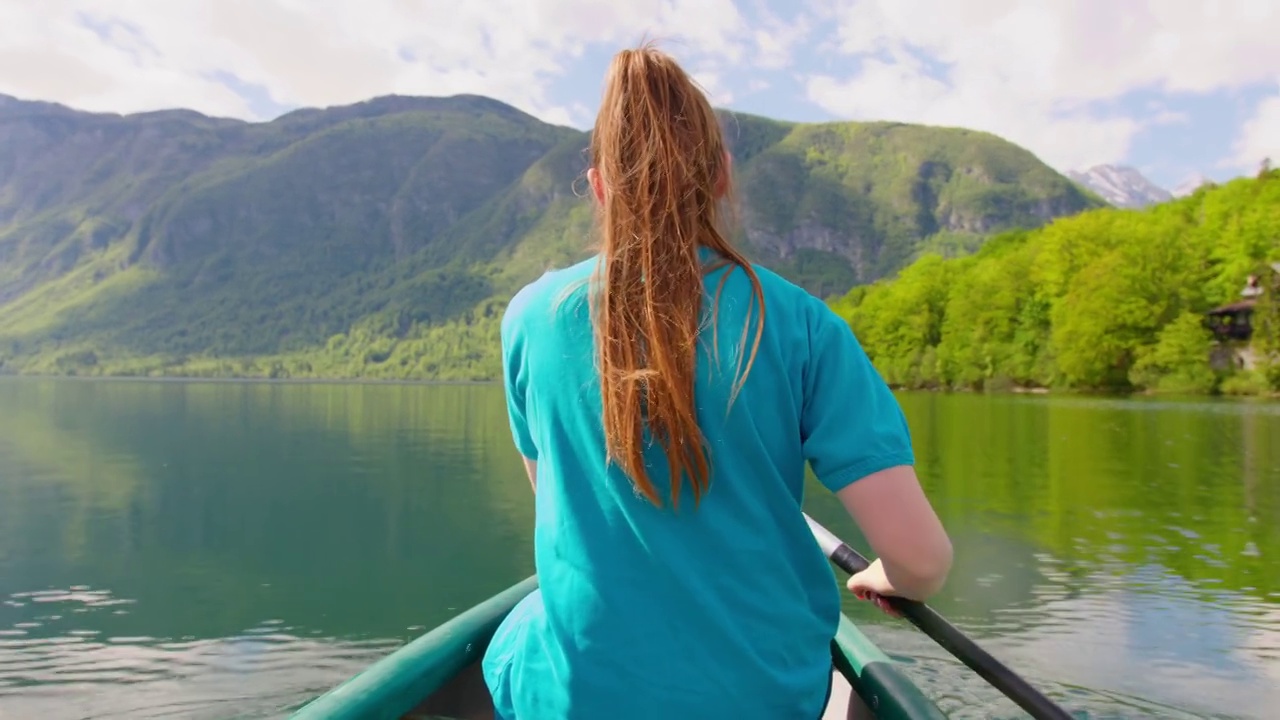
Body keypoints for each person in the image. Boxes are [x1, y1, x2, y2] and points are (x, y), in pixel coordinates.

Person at [481, 43, 953, 720]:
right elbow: (922, 560)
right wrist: (890, 575)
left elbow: (551, 499)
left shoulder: (530, 318)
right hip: (761, 696)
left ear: (600, 186)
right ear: (723, 175)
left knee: (513, 643)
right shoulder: (801, 326)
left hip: (576, 700)